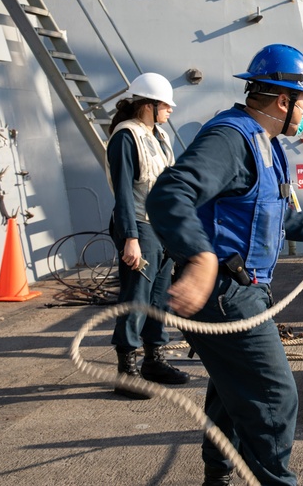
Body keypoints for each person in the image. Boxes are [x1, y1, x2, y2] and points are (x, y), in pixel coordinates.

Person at [146, 44, 303, 486]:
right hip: (227, 295)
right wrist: (202, 257)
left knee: (230, 390)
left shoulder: (266, 144)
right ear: (283, 101)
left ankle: (218, 475)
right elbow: (168, 194)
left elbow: (274, 218)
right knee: (274, 398)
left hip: (245, 289)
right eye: (302, 104)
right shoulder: (231, 138)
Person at [107, 72, 189, 399]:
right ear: (148, 105)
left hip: (161, 227)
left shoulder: (159, 135)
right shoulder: (125, 137)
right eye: (165, 105)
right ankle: (126, 370)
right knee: (137, 297)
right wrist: (130, 237)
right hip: (138, 225)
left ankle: (155, 360)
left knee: (159, 297)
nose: (170, 110)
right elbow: (124, 192)